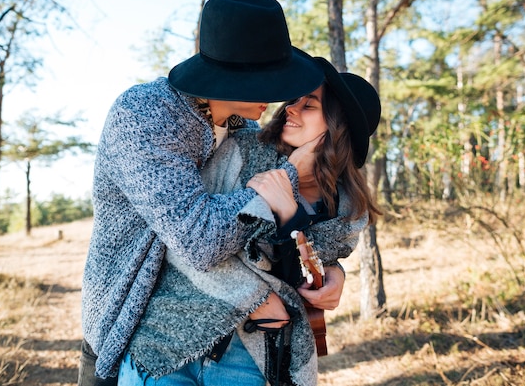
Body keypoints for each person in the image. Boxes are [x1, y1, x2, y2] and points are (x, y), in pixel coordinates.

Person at [78, 0, 346, 386]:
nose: (278, 98)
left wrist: (330, 270)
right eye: (269, 82)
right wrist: (285, 176)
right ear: (231, 77)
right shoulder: (145, 115)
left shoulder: (243, 128)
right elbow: (198, 240)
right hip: (133, 323)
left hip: (226, 336)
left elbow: (274, 236)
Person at [117, 57, 382, 386]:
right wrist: (253, 296)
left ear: (337, 126)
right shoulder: (243, 150)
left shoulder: (345, 209)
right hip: (171, 338)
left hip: (249, 353)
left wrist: (290, 215)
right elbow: (183, 238)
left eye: (309, 105)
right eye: (294, 99)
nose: (291, 108)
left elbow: (301, 278)